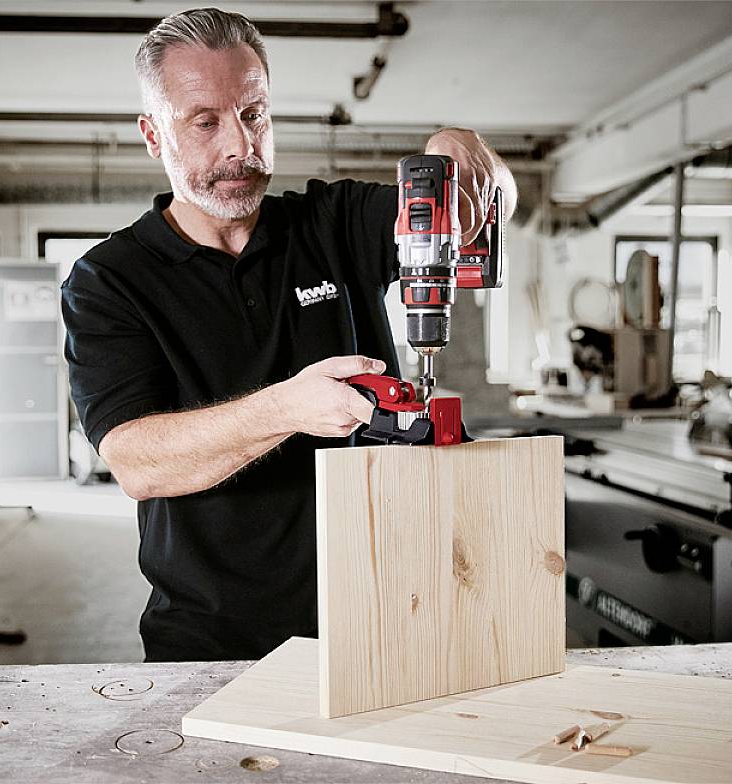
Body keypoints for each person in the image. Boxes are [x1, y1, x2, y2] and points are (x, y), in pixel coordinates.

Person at [61, 7, 516, 662]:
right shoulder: (110, 280)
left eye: (254, 114)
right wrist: (290, 408)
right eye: (205, 121)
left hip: (382, 613)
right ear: (154, 136)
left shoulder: (331, 222)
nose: (240, 147)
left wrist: (468, 161)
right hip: (213, 638)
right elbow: (136, 461)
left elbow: (487, 202)